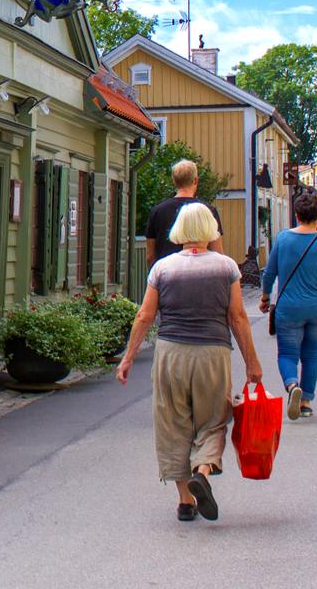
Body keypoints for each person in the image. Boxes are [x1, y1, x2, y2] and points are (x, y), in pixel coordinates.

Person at [117, 202, 263, 522]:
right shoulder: (226, 268)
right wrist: (252, 363)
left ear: (179, 231)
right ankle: (203, 470)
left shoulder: (163, 268)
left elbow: (145, 316)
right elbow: (237, 317)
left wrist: (128, 358)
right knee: (213, 420)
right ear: (210, 229)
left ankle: (185, 501)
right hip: (213, 352)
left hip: (171, 353)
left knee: (174, 423)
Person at [258, 191, 317, 419]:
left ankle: (292, 386)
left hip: (289, 308)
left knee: (288, 354)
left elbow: (270, 272)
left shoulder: (283, 239)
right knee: (310, 355)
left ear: (297, 215)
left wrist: (265, 297)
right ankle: (306, 401)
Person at [144, 160, 206, 267]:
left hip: (167, 274)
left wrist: (155, 277)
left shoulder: (157, 211)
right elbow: (217, 250)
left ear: (174, 181)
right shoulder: (207, 211)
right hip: (200, 273)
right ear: (195, 180)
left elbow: (150, 256)